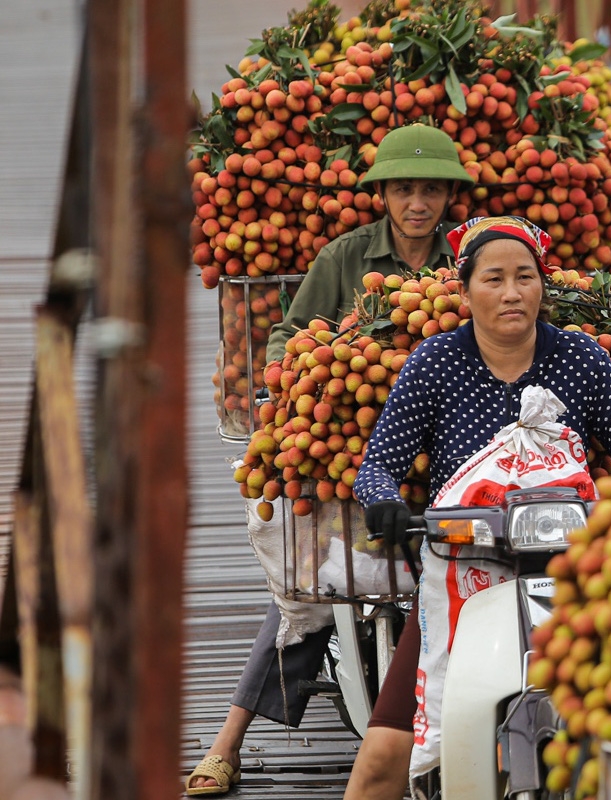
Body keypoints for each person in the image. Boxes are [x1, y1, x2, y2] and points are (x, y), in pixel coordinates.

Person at [186, 123, 473, 796]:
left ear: (447, 196)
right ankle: (229, 742)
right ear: (384, 195)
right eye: (405, 190)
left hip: (442, 453)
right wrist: (306, 365)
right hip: (352, 451)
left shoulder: (467, 257)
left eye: (431, 190)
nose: (417, 204)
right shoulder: (346, 257)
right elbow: (290, 332)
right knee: (310, 587)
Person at [347, 215, 611, 799]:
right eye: (493, 278)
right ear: (465, 288)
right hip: (463, 576)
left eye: (525, 276)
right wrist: (384, 503)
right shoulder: (435, 362)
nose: (512, 292)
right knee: (381, 762)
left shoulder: (580, 358)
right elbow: (378, 467)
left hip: (571, 573)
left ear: (544, 286)